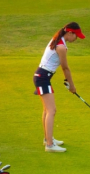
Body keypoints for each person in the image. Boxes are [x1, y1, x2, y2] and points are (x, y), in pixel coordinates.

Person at [33, 22, 85, 152]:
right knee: (52, 110)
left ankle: (48, 138)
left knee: (47, 110)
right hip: (42, 77)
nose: (76, 39)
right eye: (76, 36)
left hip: (42, 76)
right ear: (70, 33)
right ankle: (49, 145)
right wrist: (72, 85)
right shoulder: (61, 46)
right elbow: (65, 68)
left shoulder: (58, 39)